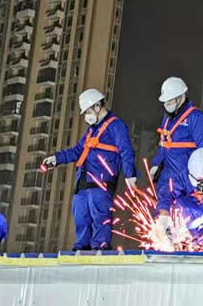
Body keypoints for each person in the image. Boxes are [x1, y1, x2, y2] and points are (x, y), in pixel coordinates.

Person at [42, 88, 136, 250]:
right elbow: (77, 151)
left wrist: (130, 175)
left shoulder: (116, 126)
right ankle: (81, 248)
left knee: (100, 218)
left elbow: (126, 150)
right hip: (83, 183)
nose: (87, 115)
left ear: (98, 106)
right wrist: (56, 159)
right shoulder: (91, 131)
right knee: (80, 216)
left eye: (88, 111)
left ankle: (100, 249)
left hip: (101, 183)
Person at [150, 77, 203, 212]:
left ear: (181, 97)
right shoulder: (167, 118)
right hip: (166, 178)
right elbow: (163, 143)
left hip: (186, 179)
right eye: (166, 101)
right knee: (161, 214)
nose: (167, 104)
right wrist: (156, 164)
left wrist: (201, 178)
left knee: (185, 215)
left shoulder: (196, 118)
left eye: (170, 100)